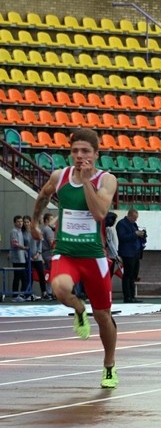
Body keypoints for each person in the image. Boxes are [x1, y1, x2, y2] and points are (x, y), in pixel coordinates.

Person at [30, 128, 120, 388]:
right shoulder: (60, 176)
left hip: (94, 257)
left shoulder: (106, 180)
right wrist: (35, 222)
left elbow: (99, 214)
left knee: (103, 316)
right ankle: (79, 309)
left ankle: (109, 366)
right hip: (66, 252)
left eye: (85, 152)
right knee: (59, 288)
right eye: (75, 151)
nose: (80, 156)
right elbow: (44, 195)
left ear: (96, 154)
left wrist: (87, 181)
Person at [116, 208, 146, 303]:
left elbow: (135, 234)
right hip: (127, 253)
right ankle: (127, 297)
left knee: (133, 275)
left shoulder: (134, 224)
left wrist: (142, 234)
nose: (135, 220)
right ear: (129, 216)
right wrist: (135, 234)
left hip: (135, 253)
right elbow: (122, 237)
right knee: (127, 275)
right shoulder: (121, 224)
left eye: (136, 218)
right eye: (133, 218)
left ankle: (132, 296)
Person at [9, 215, 29, 302]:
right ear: (15, 223)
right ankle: (16, 295)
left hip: (22, 257)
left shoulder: (21, 231)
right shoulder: (14, 231)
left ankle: (20, 294)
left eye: (21, 221)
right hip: (17, 257)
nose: (20, 223)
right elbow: (14, 243)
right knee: (19, 277)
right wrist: (24, 247)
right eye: (18, 221)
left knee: (22, 277)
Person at [26, 216, 45, 300]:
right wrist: (29, 256)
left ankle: (44, 292)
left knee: (41, 274)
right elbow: (23, 245)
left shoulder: (37, 231)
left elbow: (40, 244)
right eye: (25, 222)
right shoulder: (23, 232)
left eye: (28, 222)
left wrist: (38, 253)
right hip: (28, 257)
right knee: (29, 275)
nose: (27, 224)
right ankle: (29, 293)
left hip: (37, 257)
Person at [40, 212, 55, 299]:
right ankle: (50, 292)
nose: (53, 221)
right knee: (51, 273)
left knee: (47, 273)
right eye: (51, 220)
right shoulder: (48, 230)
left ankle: (48, 292)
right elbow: (51, 243)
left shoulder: (43, 229)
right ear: (46, 220)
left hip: (44, 253)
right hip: (49, 253)